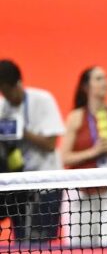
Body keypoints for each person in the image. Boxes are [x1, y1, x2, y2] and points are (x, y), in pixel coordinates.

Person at [60, 67, 107, 247]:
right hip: (81, 191)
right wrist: (94, 151)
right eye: (99, 79)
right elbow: (64, 157)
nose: (105, 82)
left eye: (106, 78)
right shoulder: (76, 117)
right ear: (86, 86)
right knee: (78, 246)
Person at [0, 60, 63, 244]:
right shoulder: (2, 107)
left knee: (42, 239)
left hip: (47, 183)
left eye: (7, 90)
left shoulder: (43, 100)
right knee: (21, 239)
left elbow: (51, 144)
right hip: (19, 185)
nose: (5, 95)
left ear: (17, 84)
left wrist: (22, 132)